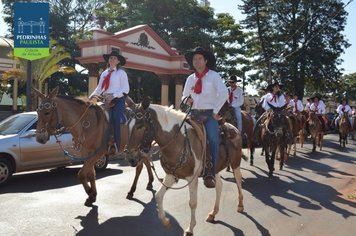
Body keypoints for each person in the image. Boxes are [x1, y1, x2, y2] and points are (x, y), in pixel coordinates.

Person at [182, 47, 228, 188]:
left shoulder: (214, 76)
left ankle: (210, 172)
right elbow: (183, 96)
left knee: (213, 138)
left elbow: (224, 93)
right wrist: (186, 100)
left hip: (209, 114)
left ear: (206, 61)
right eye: (194, 59)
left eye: (200, 58)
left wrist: (215, 111)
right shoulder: (190, 78)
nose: (196, 61)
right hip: (193, 113)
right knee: (179, 133)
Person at [89, 50, 130, 152]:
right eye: (111, 58)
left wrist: (113, 96)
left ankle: (116, 144)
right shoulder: (104, 73)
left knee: (115, 118)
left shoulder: (121, 73)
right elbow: (99, 88)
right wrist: (92, 96)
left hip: (118, 100)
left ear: (118, 62)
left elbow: (125, 89)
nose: (112, 59)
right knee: (95, 115)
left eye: (114, 58)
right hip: (105, 100)